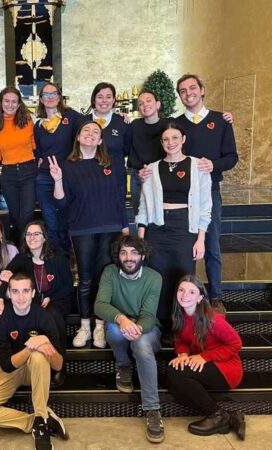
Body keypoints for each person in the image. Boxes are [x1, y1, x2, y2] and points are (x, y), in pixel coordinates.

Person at [49, 121, 129, 349]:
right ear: (78, 137)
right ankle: (85, 326)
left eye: (96, 132)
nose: (91, 134)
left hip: (110, 227)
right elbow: (61, 203)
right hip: (81, 228)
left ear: (101, 140)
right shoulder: (67, 166)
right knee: (85, 279)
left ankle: (100, 326)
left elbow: (119, 197)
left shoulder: (112, 163)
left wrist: (124, 226)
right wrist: (57, 180)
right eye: (86, 130)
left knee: (104, 278)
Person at [0, 272, 69, 450]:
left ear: (33, 293)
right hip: (8, 370)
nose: (20, 297)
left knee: (39, 357)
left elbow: (58, 365)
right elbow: (6, 365)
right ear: (9, 294)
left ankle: (41, 422)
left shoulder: (44, 317)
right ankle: (37, 421)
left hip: (36, 370)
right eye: (15, 291)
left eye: (25, 291)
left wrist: (46, 343)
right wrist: (31, 347)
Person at [136, 122, 212, 324]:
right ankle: (160, 325)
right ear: (161, 143)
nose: (171, 142)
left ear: (183, 139)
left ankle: (183, 326)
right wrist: (141, 240)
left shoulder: (199, 166)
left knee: (184, 277)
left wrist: (201, 239)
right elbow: (144, 207)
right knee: (157, 278)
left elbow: (205, 206)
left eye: (175, 137)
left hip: (185, 227)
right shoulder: (151, 169)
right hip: (157, 228)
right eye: (166, 139)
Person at [174, 74, 239, 309]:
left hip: (209, 192)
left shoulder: (221, 121)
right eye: (183, 90)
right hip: (181, 194)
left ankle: (216, 297)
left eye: (192, 88)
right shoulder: (176, 124)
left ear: (202, 90)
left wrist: (214, 165)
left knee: (211, 245)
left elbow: (232, 157)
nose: (188, 93)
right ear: (180, 96)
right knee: (184, 247)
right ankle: (184, 298)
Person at [94, 235, 164, 443]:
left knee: (141, 344)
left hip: (147, 328)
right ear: (118, 256)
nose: (128, 257)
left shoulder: (154, 278)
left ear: (142, 255)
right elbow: (100, 305)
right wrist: (121, 319)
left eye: (134, 252)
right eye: (123, 252)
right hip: (119, 325)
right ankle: (123, 365)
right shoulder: (110, 272)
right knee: (115, 331)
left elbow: (149, 316)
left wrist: (137, 328)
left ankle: (152, 409)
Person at [0, 220, 73, 386]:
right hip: (35, 301)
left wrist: (50, 297)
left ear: (44, 237)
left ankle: (60, 366)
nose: (32, 237)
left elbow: (68, 286)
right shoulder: (22, 258)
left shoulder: (58, 258)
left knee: (53, 315)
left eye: (36, 234)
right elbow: (5, 278)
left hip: (58, 300)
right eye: (28, 234)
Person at [167, 275, 245, 440]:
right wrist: (183, 354)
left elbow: (236, 343)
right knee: (172, 382)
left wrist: (205, 356)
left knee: (175, 373)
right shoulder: (179, 316)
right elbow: (180, 340)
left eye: (192, 292)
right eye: (181, 290)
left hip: (226, 368)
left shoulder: (213, 319)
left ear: (200, 297)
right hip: (205, 363)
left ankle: (217, 415)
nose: (185, 295)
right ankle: (229, 416)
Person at [34, 82, 82, 253]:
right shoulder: (38, 125)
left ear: (59, 96)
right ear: (41, 99)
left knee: (65, 221)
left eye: (53, 93)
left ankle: (67, 259)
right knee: (51, 222)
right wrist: (39, 159)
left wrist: (119, 116)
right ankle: (55, 259)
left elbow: (92, 124)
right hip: (45, 178)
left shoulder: (71, 117)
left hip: (67, 177)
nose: (50, 97)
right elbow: (36, 150)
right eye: (45, 94)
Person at [0, 86, 36, 243]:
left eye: (14, 101)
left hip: (29, 172)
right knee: (14, 216)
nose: (10, 104)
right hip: (9, 175)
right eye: (7, 101)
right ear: (1, 103)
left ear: (19, 104)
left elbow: (35, 146)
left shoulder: (28, 122)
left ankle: (26, 248)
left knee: (27, 215)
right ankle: (19, 249)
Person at [128, 90, 171, 213]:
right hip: (139, 176)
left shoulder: (169, 124)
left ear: (158, 104)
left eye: (148, 101)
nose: (145, 105)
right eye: (141, 103)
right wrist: (121, 116)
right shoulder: (134, 125)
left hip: (163, 175)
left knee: (163, 214)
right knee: (140, 214)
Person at [89, 82, 131, 191]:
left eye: (108, 97)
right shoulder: (82, 122)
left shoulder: (122, 122)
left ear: (113, 100)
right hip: (88, 178)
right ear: (94, 100)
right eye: (100, 97)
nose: (104, 100)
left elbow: (126, 149)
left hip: (116, 178)